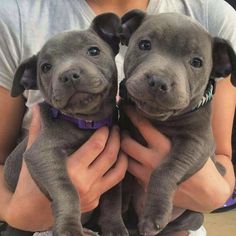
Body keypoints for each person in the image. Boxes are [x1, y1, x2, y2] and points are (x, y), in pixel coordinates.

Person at [0, 0, 235, 235]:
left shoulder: (212, 13)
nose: (160, 77)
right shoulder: (15, 15)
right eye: (144, 45)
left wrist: (214, 193)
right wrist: (16, 212)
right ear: (125, 36)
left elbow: (222, 157)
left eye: (195, 62)